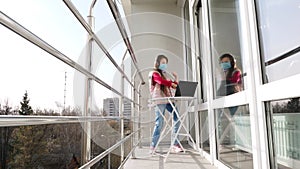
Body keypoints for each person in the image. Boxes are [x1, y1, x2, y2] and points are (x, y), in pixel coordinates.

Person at [148, 54, 183, 153]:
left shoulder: (165, 75)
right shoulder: (153, 73)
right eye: (163, 63)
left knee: (177, 118)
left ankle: (175, 144)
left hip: (168, 100)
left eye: (166, 63)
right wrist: (170, 83)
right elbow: (159, 81)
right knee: (159, 123)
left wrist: (176, 78)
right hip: (160, 100)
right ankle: (153, 146)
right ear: (157, 63)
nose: (165, 65)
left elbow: (174, 86)